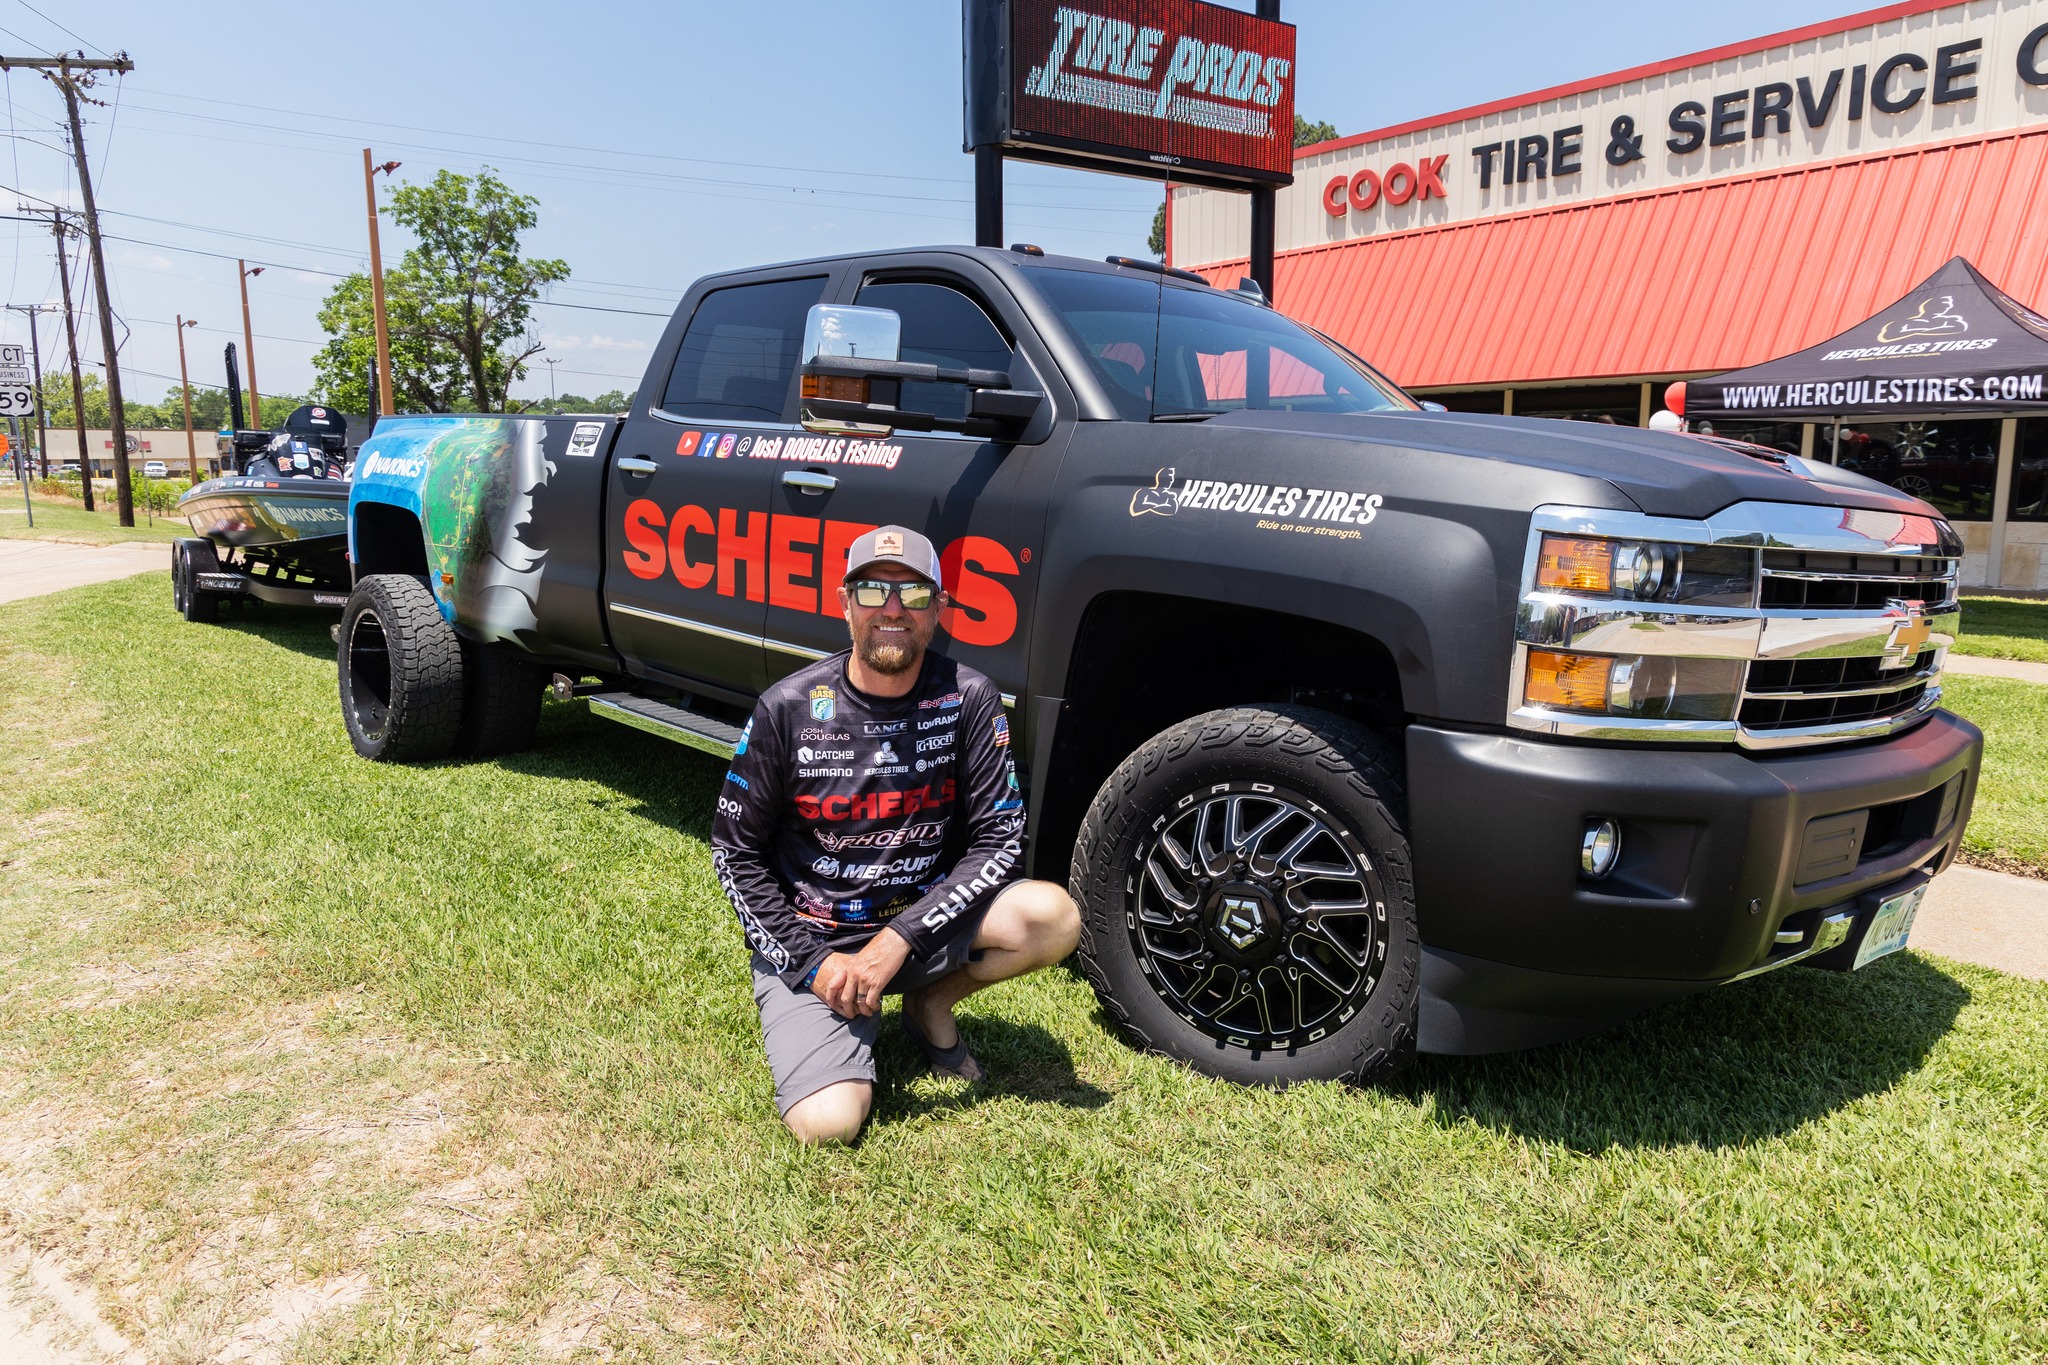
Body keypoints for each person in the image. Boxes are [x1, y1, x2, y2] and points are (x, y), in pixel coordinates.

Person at [712, 525, 1081, 1144]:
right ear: (844, 602)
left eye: (913, 596)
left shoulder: (969, 698)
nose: (892, 609)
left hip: (920, 925)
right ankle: (836, 1009)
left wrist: (897, 941)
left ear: (937, 610)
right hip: (816, 937)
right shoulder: (788, 706)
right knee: (827, 1127)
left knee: (1052, 916)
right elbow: (735, 854)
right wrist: (813, 963)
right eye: (873, 591)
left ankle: (927, 1004)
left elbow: (1001, 841)